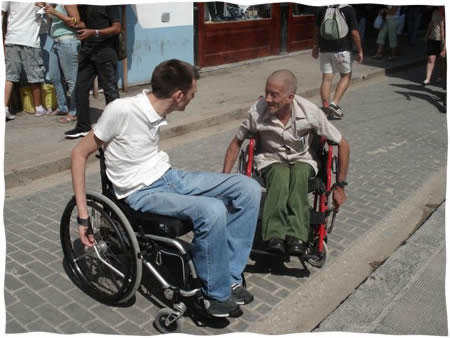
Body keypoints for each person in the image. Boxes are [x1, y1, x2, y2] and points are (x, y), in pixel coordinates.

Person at [71, 59, 262, 318]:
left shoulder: (157, 111)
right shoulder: (121, 110)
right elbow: (79, 154)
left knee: (248, 188)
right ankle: (215, 295)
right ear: (179, 95)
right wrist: (83, 217)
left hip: (172, 177)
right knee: (212, 210)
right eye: (193, 94)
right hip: (142, 193)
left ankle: (227, 276)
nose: (194, 98)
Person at [223, 70, 350, 256]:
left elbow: (343, 144)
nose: (267, 99)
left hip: (302, 158)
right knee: (281, 175)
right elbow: (236, 143)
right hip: (270, 158)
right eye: (266, 92)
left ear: (290, 97)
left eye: (274, 95)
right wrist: (225, 180)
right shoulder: (257, 111)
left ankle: (296, 235)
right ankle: (275, 235)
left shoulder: (310, 112)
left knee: (298, 174)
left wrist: (340, 186)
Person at [65, 5, 121, 138]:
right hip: (88, 52)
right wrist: (75, 23)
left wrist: (94, 32)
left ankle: (117, 127)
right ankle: (83, 127)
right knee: (80, 88)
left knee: (110, 91)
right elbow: (85, 24)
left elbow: (117, 28)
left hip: (105, 52)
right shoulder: (85, 5)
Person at [312, 5, 363, 120]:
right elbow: (354, 32)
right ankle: (333, 104)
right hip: (342, 49)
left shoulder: (321, 8)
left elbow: (316, 29)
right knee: (346, 76)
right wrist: (360, 50)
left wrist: (315, 46)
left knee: (326, 78)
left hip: (325, 49)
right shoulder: (348, 9)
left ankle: (325, 107)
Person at [2, 1, 49, 121]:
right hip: (29, 40)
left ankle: (4, 108)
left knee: (9, 76)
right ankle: (38, 107)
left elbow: (2, 13)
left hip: (11, 38)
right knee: (34, 75)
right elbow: (49, 9)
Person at [43, 3, 81, 123]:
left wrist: (55, 13)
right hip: (55, 42)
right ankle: (63, 107)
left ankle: (74, 111)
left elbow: (76, 22)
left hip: (68, 41)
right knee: (54, 76)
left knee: (71, 80)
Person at [422, 6, 445, 86]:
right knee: (431, 58)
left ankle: (441, 75)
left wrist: (444, 46)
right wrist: (427, 35)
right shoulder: (435, 12)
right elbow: (431, 23)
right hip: (433, 37)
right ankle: (427, 79)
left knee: (442, 60)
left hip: (443, 41)